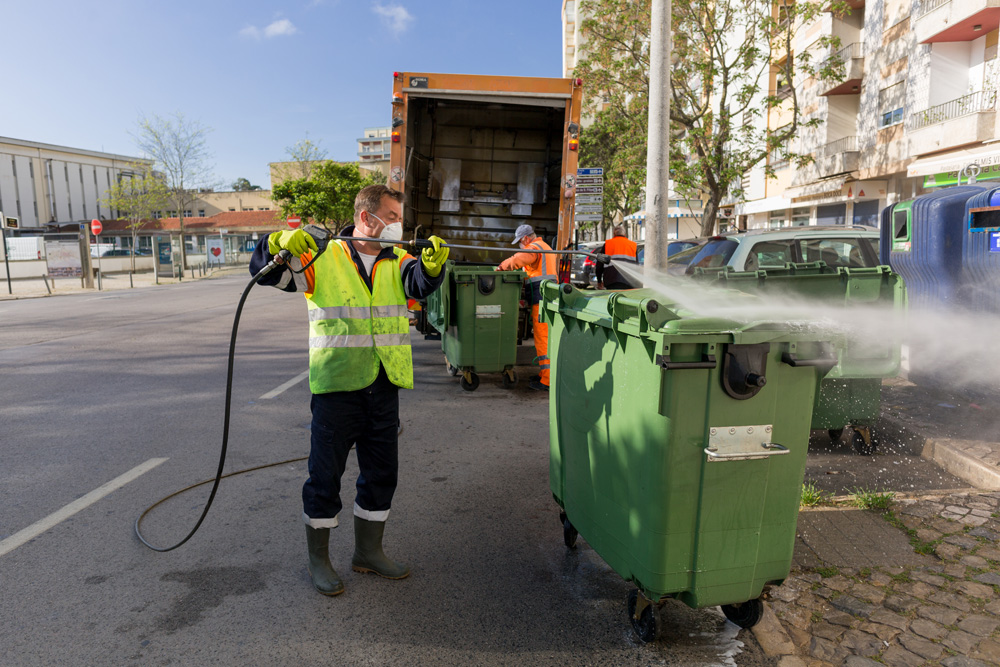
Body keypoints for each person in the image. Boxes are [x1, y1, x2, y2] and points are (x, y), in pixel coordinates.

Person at [250, 184, 449, 597]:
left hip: (384, 384)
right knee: (325, 478)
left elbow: (417, 285)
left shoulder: (398, 259)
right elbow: (268, 274)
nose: (398, 226)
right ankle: (319, 560)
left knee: (381, 475)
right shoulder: (324, 255)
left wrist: (432, 269)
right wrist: (276, 243)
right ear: (365, 217)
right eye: (392, 217)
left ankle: (368, 552)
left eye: (398, 219)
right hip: (337, 386)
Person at [496, 223, 557, 392]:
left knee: (543, 338)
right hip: (548, 297)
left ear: (525, 238)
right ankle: (545, 374)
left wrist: (500, 268)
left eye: (519, 242)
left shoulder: (534, 248)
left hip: (541, 298)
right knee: (546, 338)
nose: (520, 245)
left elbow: (517, 260)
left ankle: (547, 380)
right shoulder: (545, 246)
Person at [595, 225, 638, 290]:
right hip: (628, 281)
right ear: (625, 234)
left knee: (613, 296)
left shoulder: (607, 244)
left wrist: (599, 281)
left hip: (611, 281)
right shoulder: (633, 245)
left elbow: (599, 265)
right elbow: (636, 266)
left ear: (614, 234)